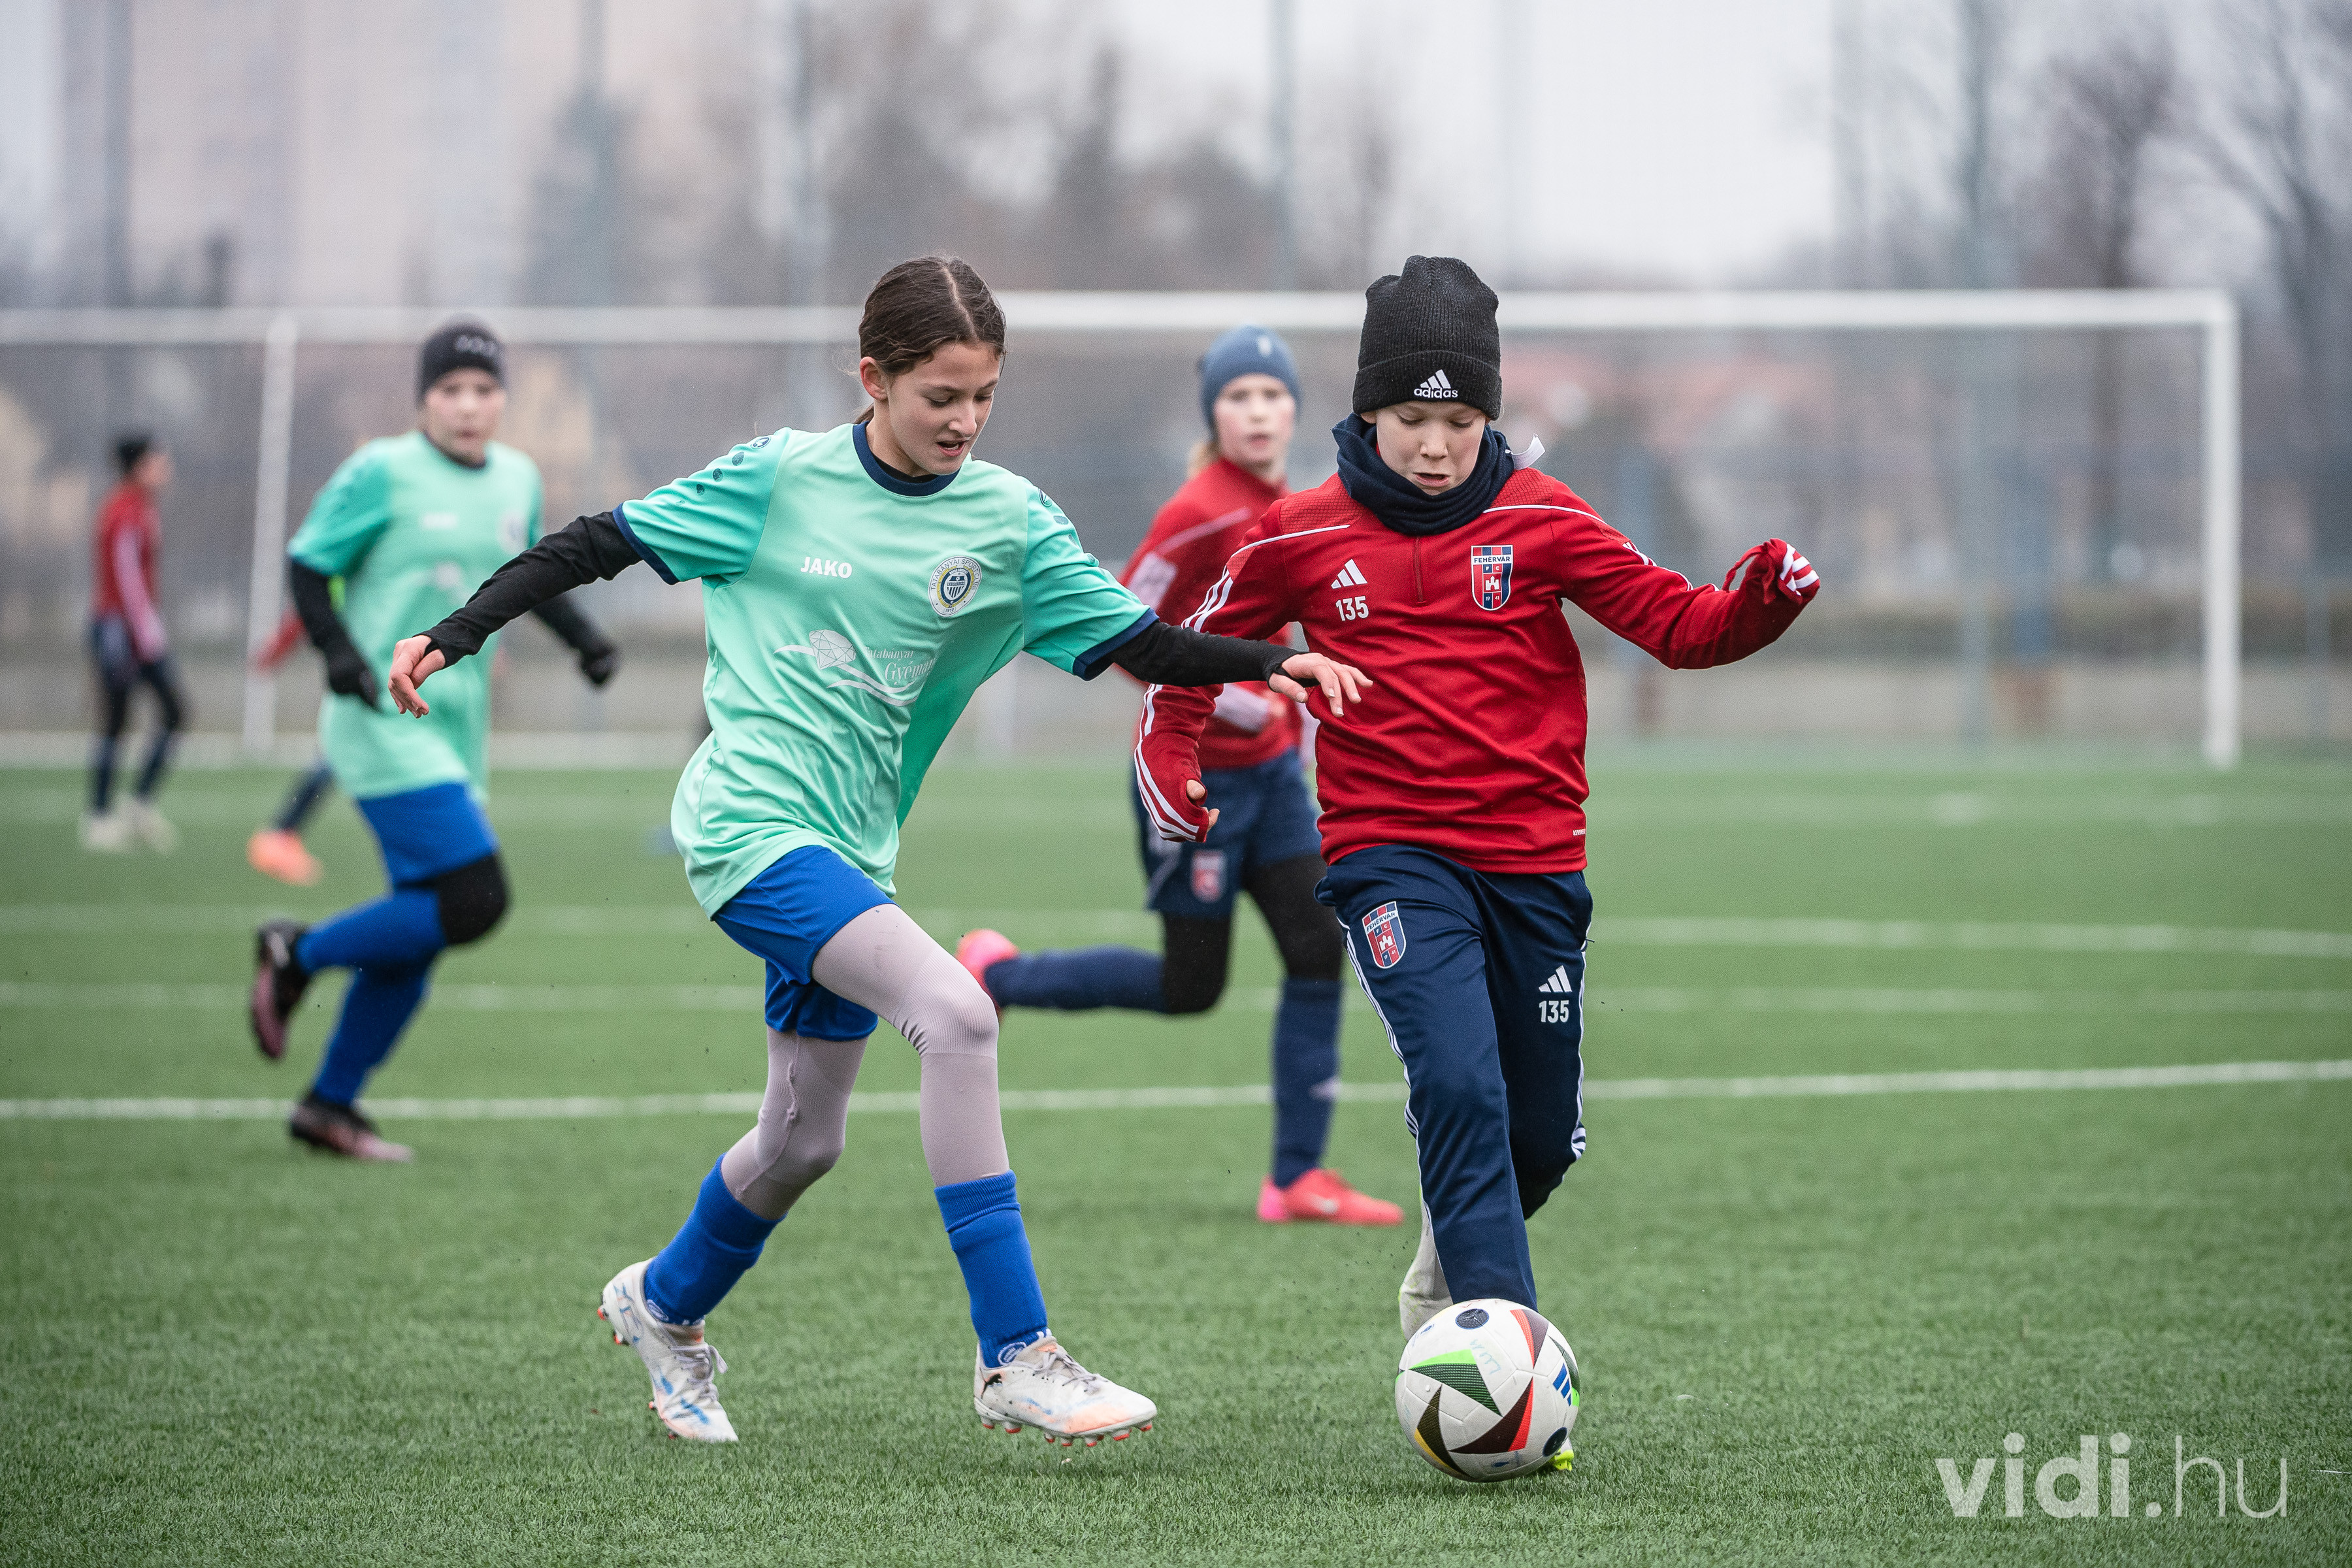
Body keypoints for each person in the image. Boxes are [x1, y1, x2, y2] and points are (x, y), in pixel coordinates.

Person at [373, 257, 1367, 1447]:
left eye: (983, 395)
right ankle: (1017, 1353)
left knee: (803, 1142)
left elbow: (1141, 642)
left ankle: (662, 1304)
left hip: (853, 852)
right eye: (940, 395)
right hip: (747, 830)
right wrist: (454, 635)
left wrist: (1271, 660)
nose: (964, 419)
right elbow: (596, 543)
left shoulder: (1010, 522)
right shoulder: (778, 480)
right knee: (957, 1015)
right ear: (873, 379)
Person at [1134, 257, 1820, 1379]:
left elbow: (1680, 624)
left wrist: (1756, 607)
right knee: (1456, 1085)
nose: (1437, 446)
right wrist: (1170, 750)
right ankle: (1508, 1377)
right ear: (1369, 410)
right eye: (1413, 420)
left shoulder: (1545, 517)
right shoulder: (1298, 535)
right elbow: (1189, 654)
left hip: (1536, 863)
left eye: (1460, 423)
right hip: (1391, 858)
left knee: (1537, 1140)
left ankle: (1448, 1265)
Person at [958, 325, 1401, 1228]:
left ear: (1295, 409)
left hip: (1274, 781)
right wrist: (1234, 702)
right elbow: (1120, 632)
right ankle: (1001, 976)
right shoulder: (1197, 510)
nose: (1259, 412)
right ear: (1213, 414)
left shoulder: (1297, 504)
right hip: (1195, 783)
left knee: (1317, 946)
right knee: (1191, 986)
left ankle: (1296, 1178)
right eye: (1239, 397)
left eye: (1273, 395)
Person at [246, 319, 621, 1161]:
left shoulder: (517, 478)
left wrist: (585, 641)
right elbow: (308, 564)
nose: (468, 406)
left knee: (423, 931)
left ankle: (329, 1105)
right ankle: (297, 952)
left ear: (502, 400)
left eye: (484, 390)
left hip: (454, 731)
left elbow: (523, 577)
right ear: (424, 400)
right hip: (379, 720)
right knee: (475, 898)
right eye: (450, 390)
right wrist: (339, 654)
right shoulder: (381, 471)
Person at [83, 433, 187, 853]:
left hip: (137, 630)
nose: (165, 465)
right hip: (119, 631)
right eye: (158, 459)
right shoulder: (122, 511)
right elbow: (127, 583)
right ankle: (99, 817)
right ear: (140, 466)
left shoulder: (143, 508)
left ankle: (139, 804)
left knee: (175, 713)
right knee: (116, 719)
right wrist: (147, 636)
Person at [246, 607, 336, 886]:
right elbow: (310, 602)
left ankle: (280, 834)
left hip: (366, 668)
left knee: (335, 760)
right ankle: (279, 835)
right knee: (332, 760)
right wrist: (281, 645)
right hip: (362, 672)